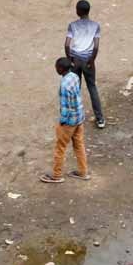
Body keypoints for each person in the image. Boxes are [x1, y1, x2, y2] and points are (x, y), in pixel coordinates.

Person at [40, 56, 91, 184]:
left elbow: (65, 106)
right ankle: (83, 172)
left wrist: (62, 122)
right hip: (79, 117)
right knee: (79, 145)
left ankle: (57, 175)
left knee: (60, 147)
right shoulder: (74, 76)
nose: (55, 69)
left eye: (56, 67)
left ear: (61, 69)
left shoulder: (64, 85)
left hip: (69, 121)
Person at [65, 0, 104, 128]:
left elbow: (66, 45)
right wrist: (92, 61)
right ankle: (100, 120)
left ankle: (74, 118)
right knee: (92, 87)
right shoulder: (95, 26)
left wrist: (70, 59)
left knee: (75, 89)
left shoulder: (72, 25)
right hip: (88, 60)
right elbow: (96, 46)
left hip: (75, 60)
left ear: (78, 11)